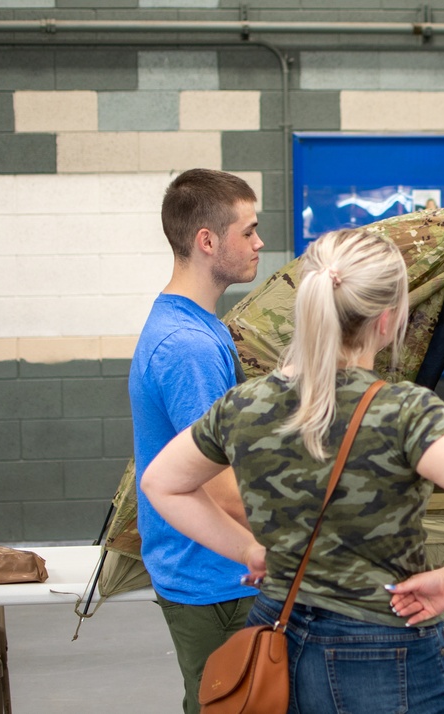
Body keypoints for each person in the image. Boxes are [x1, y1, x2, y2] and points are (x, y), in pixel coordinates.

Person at [142, 228, 444, 714]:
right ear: (387, 320)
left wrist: (247, 550)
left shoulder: (244, 405)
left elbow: (161, 484)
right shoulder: (406, 411)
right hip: (382, 645)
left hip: (275, 631)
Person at [128, 168, 264, 714]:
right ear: (207, 241)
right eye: (248, 231)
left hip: (209, 573)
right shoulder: (189, 347)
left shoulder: (191, 325)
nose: (259, 243)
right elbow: (223, 489)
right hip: (218, 581)